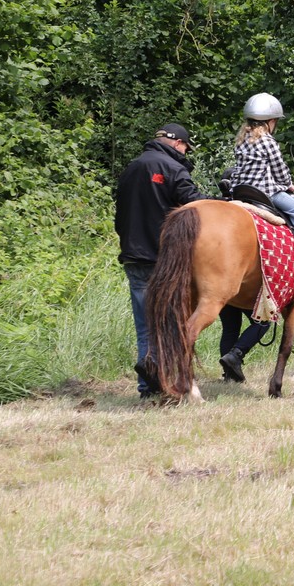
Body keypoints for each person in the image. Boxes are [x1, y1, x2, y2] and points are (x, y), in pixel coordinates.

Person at [114, 123, 206, 397]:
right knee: (170, 323)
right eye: (186, 147)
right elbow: (196, 206)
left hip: (132, 257)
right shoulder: (173, 169)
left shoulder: (130, 168)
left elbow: (120, 214)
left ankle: (148, 388)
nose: (186, 152)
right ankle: (169, 379)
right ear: (178, 143)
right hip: (164, 260)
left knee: (145, 327)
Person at [224, 93, 294, 267]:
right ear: (270, 121)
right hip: (262, 191)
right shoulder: (267, 140)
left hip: (240, 190)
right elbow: (279, 168)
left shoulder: (241, 139)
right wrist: (287, 184)